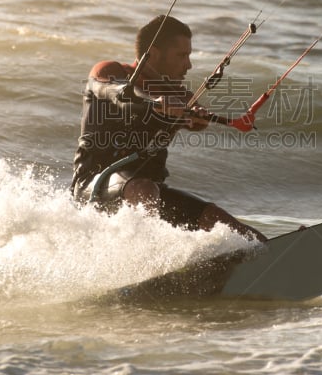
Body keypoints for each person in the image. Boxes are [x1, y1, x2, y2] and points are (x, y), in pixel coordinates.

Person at [71, 15, 266, 242]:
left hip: (148, 194)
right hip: (93, 186)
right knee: (144, 190)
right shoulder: (109, 71)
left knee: (222, 223)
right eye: (182, 56)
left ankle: (274, 253)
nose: (189, 64)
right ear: (152, 54)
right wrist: (156, 102)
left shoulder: (180, 96)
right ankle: (150, 260)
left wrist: (196, 118)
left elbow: (197, 123)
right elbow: (119, 94)